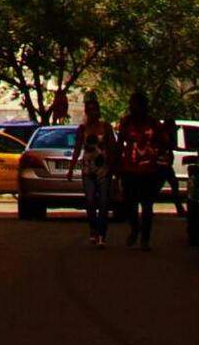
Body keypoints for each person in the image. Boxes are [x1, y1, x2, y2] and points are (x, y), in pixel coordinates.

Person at [116, 91, 166, 249]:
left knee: (147, 204)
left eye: (137, 105)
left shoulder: (153, 123)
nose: (134, 108)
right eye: (132, 105)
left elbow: (163, 142)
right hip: (129, 169)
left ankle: (145, 238)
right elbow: (120, 143)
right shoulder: (126, 122)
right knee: (129, 203)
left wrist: (158, 153)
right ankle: (135, 229)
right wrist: (117, 164)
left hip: (149, 170)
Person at [65, 95, 116, 247]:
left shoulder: (106, 127)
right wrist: (71, 168)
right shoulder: (82, 129)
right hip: (88, 169)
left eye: (95, 109)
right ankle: (93, 229)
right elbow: (76, 149)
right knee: (90, 201)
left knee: (104, 202)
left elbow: (111, 147)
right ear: (87, 112)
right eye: (90, 110)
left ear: (99, 111)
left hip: (103, 169)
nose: (93, 112)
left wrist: (114, 168)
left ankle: (102, 234)